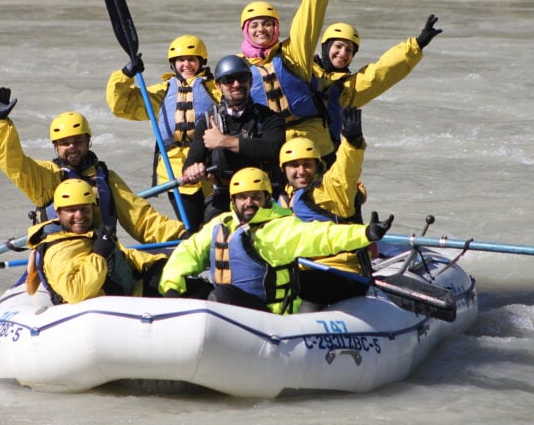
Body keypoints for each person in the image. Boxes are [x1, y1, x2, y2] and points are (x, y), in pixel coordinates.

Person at [159, 167, 394, 314]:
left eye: (255, 197)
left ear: (266, 198)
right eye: (242, 198)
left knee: (220, 296)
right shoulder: (222, 224)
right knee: (188, 289)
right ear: (233, 200)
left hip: (269, 315)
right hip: (232, 309)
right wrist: (171, 288)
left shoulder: (278, 228)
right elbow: (186, 253)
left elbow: (322, 236)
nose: (248, 203)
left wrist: (364, 234)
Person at [0, 87, 186, 250]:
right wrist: (0, 123)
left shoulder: (106, 179)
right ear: (55, 146)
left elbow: (142, 220)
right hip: (60, 254)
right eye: (65, 143)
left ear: (88, 141)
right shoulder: (46, 177)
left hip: (99, 252)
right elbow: (12, 162)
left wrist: (183, 234)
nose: (72, 147)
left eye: (77, 141)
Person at [238, 0, 342, 163]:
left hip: (313, 143)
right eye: (254, 25)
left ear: (276, 27)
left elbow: (310, 13)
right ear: (245, 30)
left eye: (267, 23)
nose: (261, 29)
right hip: (271, 145)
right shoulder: (237, 67)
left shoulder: (294, 53)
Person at [106, 35, 220, 230]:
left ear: (202, 61)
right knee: (193, 227)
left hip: (210, 166)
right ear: (173, 64)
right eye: (181, 60)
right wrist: (126, 74)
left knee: (216, 222)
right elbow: (120, 105)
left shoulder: (216, 89)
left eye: (191, 59)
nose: (186, 65)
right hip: (175, 170)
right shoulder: (162, 92)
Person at [278, 107, 373, 306]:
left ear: (317, 166)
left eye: (307, 164)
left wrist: (352, 142)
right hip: (305, 271)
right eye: (294, 165)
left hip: (344, 272)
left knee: (298, 284)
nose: (301, 171)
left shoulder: (333, 188)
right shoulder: (282, 202)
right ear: (284, 169)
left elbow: (346, 169)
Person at [315, 16, 442, 162]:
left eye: (349, 50)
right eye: (338, 46)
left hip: (319, 161)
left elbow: (381, 73)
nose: (343, 53)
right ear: (326, 46)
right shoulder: (302, 71)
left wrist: (417, 45)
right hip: (288, 153)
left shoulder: (348, 89)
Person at [26, 179, 167, 303]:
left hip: (129, 297)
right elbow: (74, 292)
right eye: (71, 210)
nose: (79, 216)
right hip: (114, 310)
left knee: (175, 279)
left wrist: (156, 262)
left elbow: (122, 256)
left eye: (85, 209)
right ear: (58, 213)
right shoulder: (58, 250)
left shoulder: (90, 235)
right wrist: (99, 254)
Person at [182, 55, 286, 223]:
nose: (236, 84)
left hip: (264, 193)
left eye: (241, 78)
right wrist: (193, 171)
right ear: (218, 86)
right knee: (214, 231)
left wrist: (224, 141)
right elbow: (191, 162)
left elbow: (273, 148)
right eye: (229, 80)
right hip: (225, 195)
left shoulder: (270, 118)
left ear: (250, 81)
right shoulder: (208, 121)